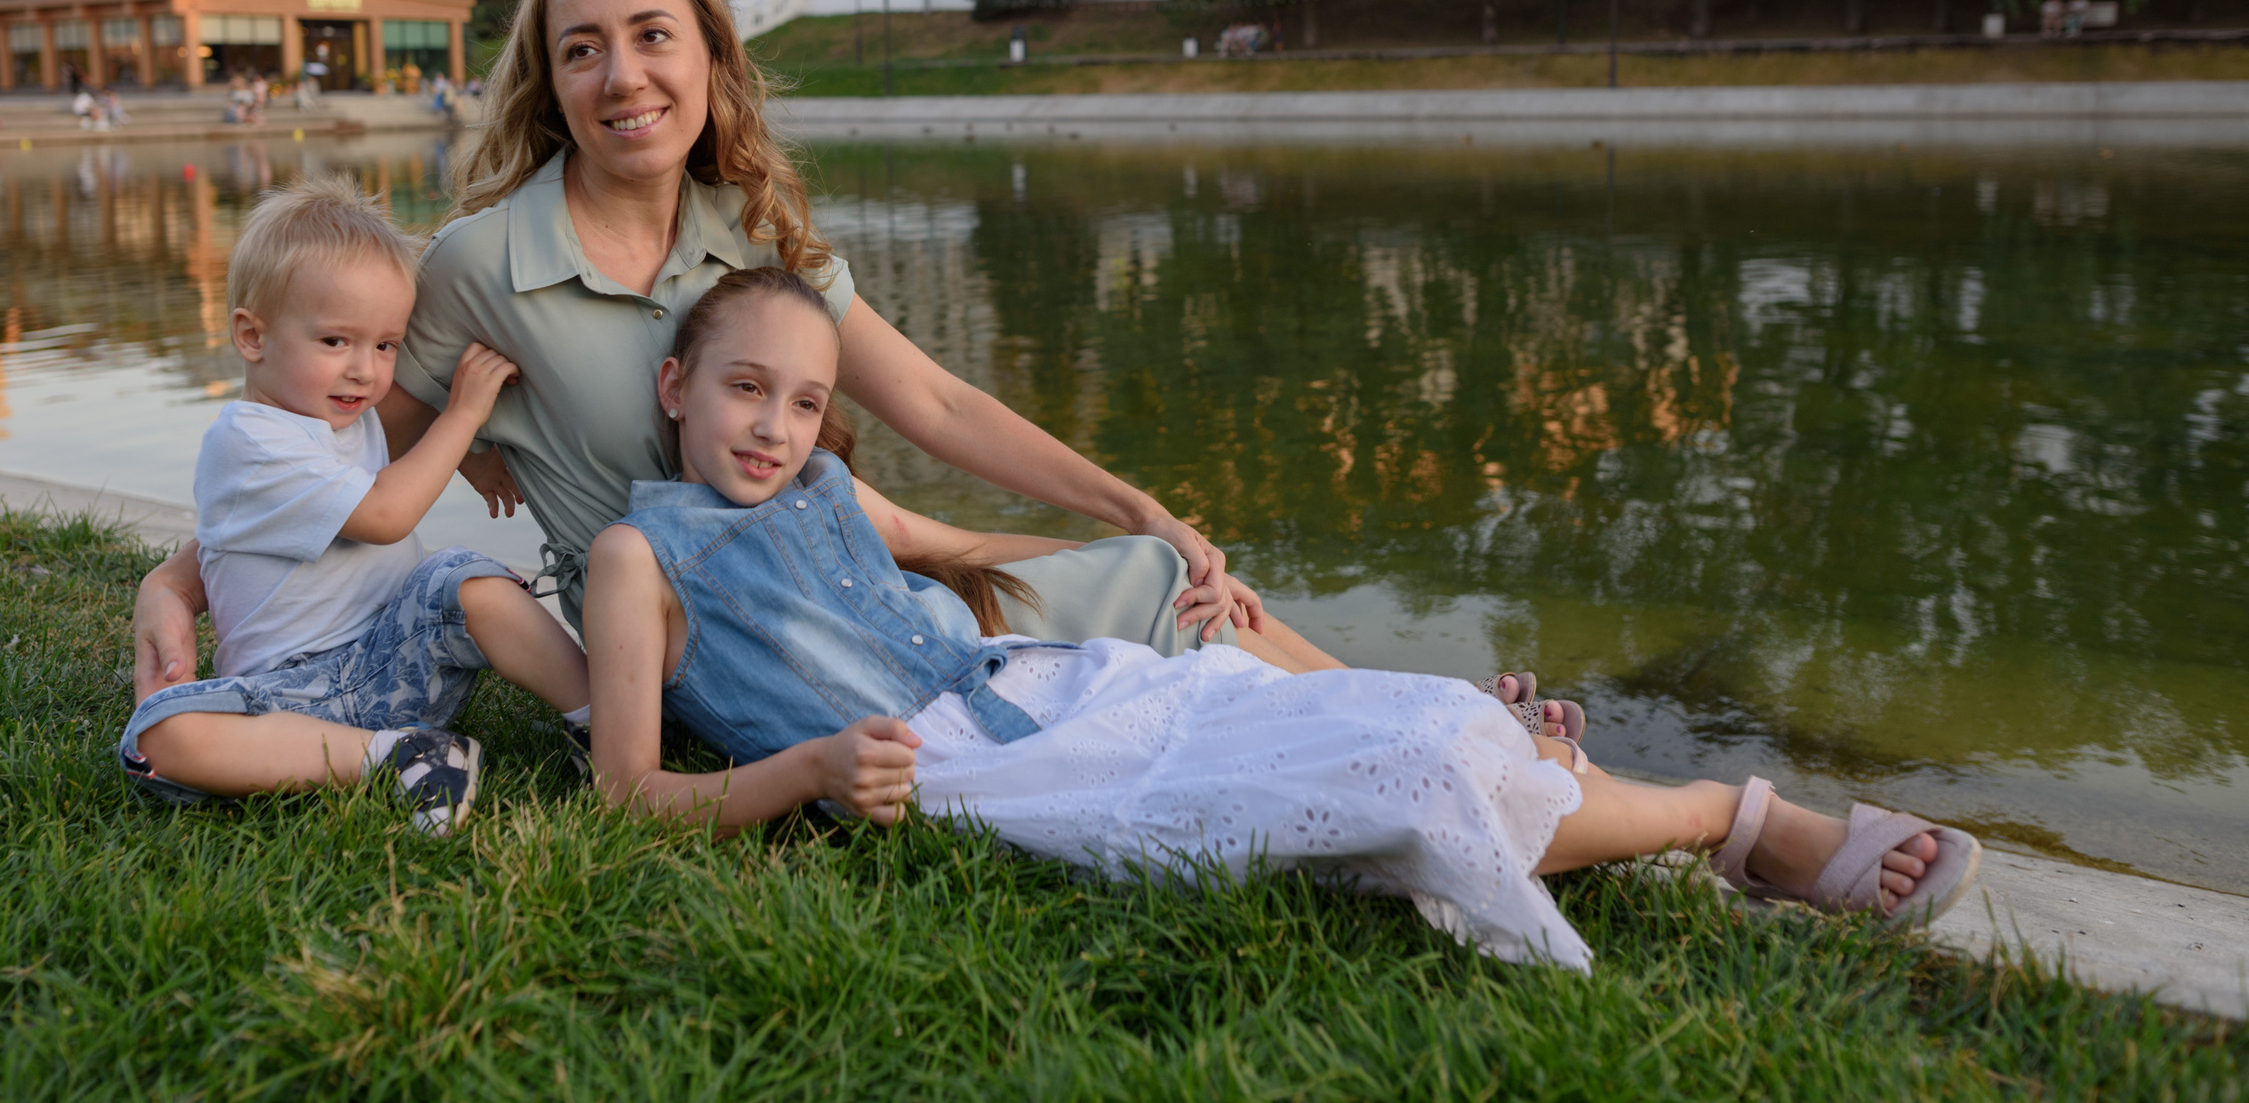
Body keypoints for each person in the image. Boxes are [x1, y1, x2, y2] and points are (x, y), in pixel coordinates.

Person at [131, 0, 1575, 731]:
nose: (623, 75)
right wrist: (179, 585)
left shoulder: (751, 242)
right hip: (703, 646)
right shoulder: (469, 268)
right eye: (584, 48)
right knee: (1121, 615)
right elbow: (324, 453)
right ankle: (1452, 735)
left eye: (654, 37)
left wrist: (1137, 493)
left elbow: (938, 405)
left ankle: (1436, 719)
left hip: (843, 579)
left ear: (707, 59)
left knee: (1151, 571)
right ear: (550, 80)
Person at [584, 268, 1985, 972]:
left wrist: (1146, 545)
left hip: (1064, 679)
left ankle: (1720, 822)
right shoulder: (640, 555)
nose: (775, 425)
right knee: (1405, 775)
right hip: (963, 766)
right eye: (742, 389)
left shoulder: (831, 485)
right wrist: (809, 776)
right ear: (673, 391)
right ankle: (1724, 820)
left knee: (1404, 713)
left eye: (806, 399)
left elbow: (959, 547)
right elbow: (630, 798)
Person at [115, 173, 589, 832]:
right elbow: (385, 512)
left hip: (397, 659)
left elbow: (386, 471)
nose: (365, 369)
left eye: (385, 344)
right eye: (336, 341)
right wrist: (465, 412)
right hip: (293, 696)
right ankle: (397, 756)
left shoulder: (345, 418)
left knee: (466, 578)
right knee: (159, 736)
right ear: (252, 337)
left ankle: (602, 716)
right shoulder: (248, 439)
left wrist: (473, 456)